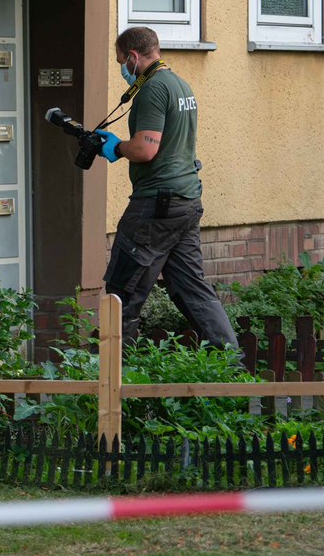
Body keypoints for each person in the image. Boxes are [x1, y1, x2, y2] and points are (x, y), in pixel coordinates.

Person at [94, 26, 239, 351]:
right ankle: (233, 369)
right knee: (193, 290)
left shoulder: (153, 89)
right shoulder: (179, 84)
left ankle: (105, 379)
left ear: (133, 56)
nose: (122, 69)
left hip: (155, 206)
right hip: (186, 202)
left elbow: (146, 149)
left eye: (121, 61)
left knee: (122, 293)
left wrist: (116, 148)